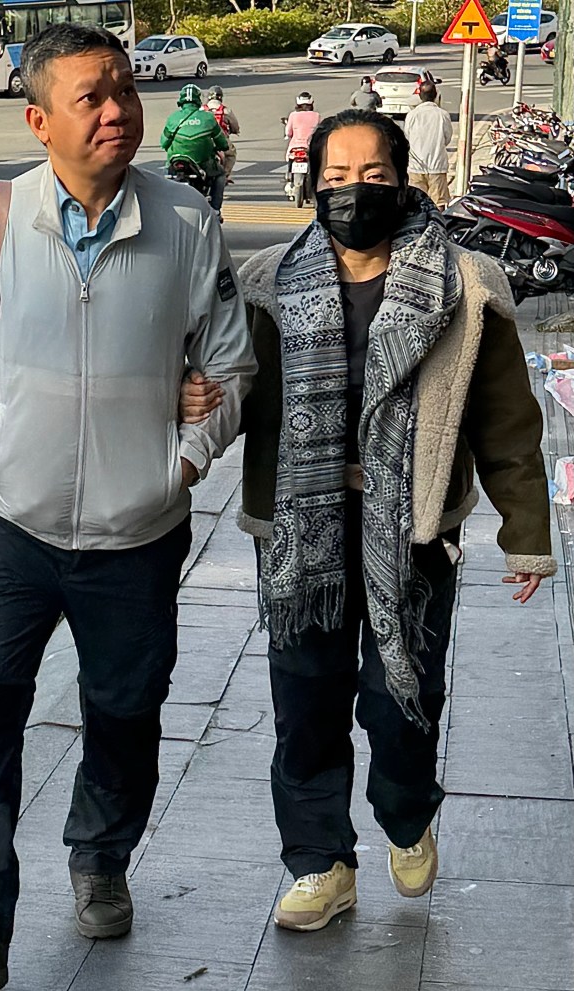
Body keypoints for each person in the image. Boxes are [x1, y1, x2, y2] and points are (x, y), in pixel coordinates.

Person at [0, 22, 256, 991]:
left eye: (124, 92)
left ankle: (100, 855)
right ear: (38, 120)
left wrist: (181, 461)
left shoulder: (185, 221)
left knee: (125, 709)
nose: (116, 113)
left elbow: (230, 364)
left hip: (136, 534)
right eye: (90, 98)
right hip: (9, 525)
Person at [181, 108, 555, 933]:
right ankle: (319, 864)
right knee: (304, 703)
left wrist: (525, 534)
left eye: (373, 176)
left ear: (402, 179)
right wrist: (188, 407)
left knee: (401, 695)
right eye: (337, 177)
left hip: (414, 528)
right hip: (297, 530)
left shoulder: (463, 285)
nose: (355, 191)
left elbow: (504, 421)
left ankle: (405, 809)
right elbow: (230, 385)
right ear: (314, 185)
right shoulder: (267, 282)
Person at [161, 83, 229, 218]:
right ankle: (215, 209)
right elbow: (222, 143)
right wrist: (220, 147)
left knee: (166, 176)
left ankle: (165, 207)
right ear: (198, 100)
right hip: (202, 164)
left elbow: (163, 143)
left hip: (175, 162)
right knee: (220, 174)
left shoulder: (173, 118)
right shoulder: (208, 118)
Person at [403, 81, 453, 210]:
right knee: (439, 202)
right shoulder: (442, 115)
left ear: (420, 96)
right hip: (437, 165)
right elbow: (447, 138)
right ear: (435, 95)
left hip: (416, 166)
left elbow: (407, 137)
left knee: (417, 202)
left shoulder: (412, 115)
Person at [283, 91, 321, 196]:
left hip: (295, 147)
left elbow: (288, 132)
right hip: (311, 147)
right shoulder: (316, 116)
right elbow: (319, 132)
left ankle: (289, 180)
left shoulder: (293, 115)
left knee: (290, 161)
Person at [203, 84, 240, 183]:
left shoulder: (202, 110)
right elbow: (235, 126)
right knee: (231, 154)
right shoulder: (226, 111)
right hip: (221, 138)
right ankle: (226, 175)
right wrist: (235, 130)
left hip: (204, 138)